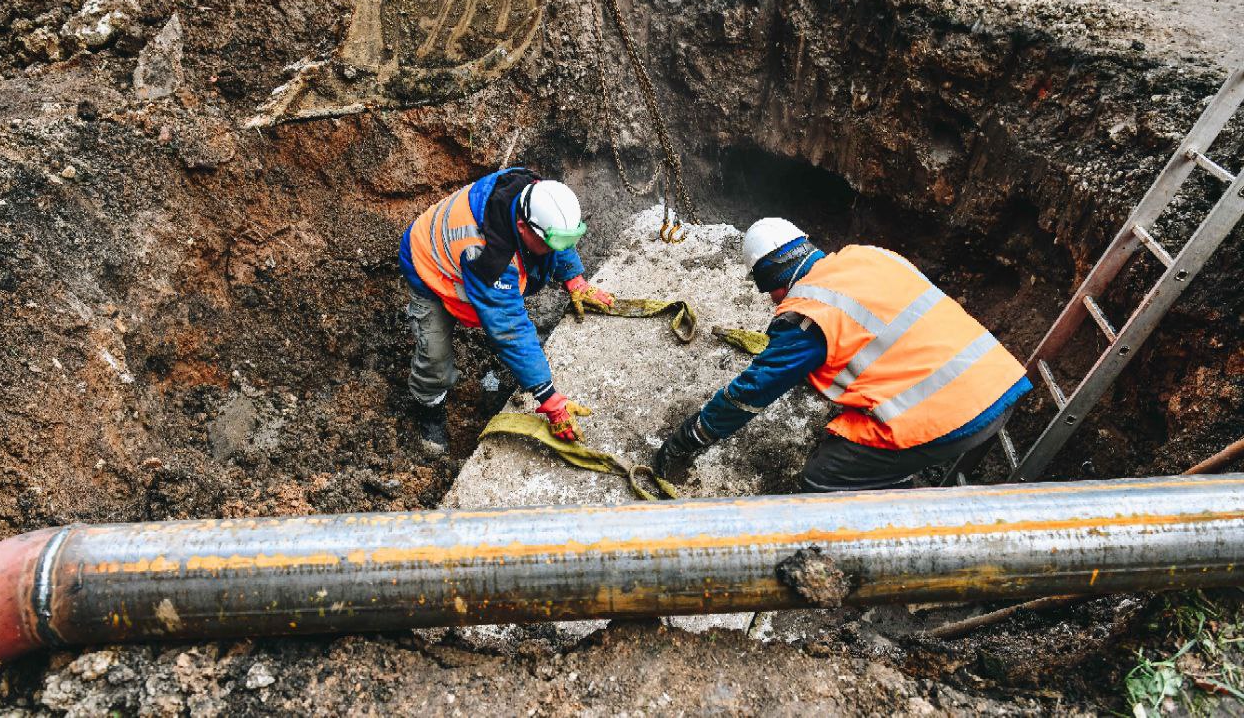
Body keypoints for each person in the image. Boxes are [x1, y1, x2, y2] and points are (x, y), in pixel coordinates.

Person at [653, 218, 1032, 491]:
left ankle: (893, 510)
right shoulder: (869, 256)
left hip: (955, 423)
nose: (771, 301)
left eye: (767, 290)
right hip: (998, 384)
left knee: (821, 477)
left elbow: (750, 393)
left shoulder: (807, 314)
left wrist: (690, 437)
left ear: (772, 280)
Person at [399, 168, 614, 452]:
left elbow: (556, 236)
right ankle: (429, 409)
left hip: (467, 261)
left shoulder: (535, 194)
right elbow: (508, 325)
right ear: (522, 228)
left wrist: (574, 279)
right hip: (429, 266)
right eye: (549, 244)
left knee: (497, 304)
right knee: (435, 359)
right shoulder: (488, 256)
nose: (556, 248)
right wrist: (548, 396)